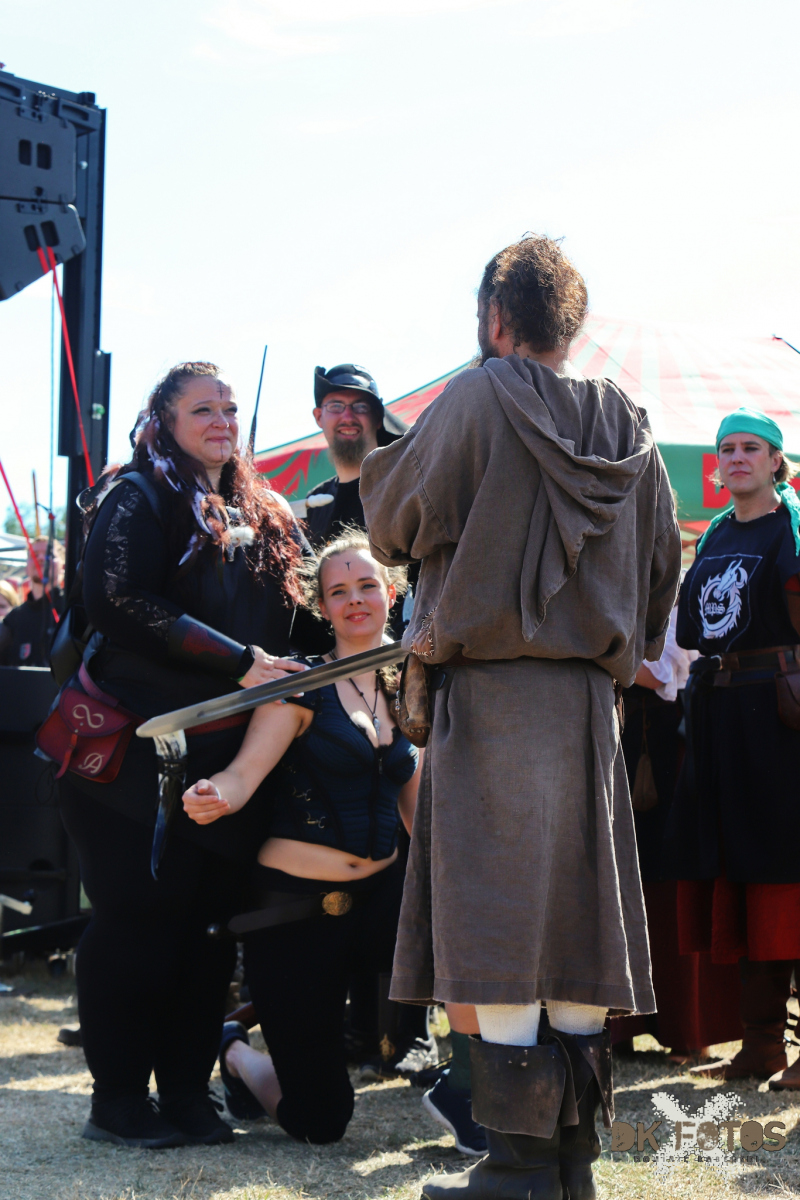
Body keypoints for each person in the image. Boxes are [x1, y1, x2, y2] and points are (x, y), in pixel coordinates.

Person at [360, 234, 682, 1200]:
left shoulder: (476, 395)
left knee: (496, 924)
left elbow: (390, 522)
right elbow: (662, 571)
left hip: (492, 694)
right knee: (579, 926)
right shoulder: (629, 420)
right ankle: (570, 1168)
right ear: (570, 324)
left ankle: (516, 1170)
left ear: (497, 319)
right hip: (588, 705)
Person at [57, 361, 316, 1150]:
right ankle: (116, 1101)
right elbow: (116, 600)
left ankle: (185, 1095)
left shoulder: (264, 510)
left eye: (229, 409)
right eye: (203, 409)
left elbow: (299, 617)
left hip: (228, 763)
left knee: (208, 935)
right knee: (136, 926)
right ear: (164, 421)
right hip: (128, 759)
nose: (222, 421)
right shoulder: (135, 495)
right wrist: (239, 661)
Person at [182, 532, 422, 1144]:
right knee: (320, 1121)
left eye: (367, 585)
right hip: (294, 911)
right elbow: (243, 776)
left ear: (391, 593)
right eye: (338, 592)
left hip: (381, 897)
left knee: (460, 948)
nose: (355, 599)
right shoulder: (299, 684)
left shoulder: (407, 684)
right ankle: (235, 1051)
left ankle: (472, 1084)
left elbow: (415, 805)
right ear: (323, 607)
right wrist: (214, 796)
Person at [666, 407, 800, 1091]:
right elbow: (694, 630)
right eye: (727, 449)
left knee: (788, 876)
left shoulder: (794, 530)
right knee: (740, 875)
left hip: (783, 723)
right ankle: (761, 1044)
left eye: (752, 447)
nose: (737, 457)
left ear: (777, 461)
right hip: (721, 720)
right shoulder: (716, 534)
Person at [612, 602, 743, 1062]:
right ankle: (618, 1029)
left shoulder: (670, 595)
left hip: (669, 745)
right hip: (619, 740)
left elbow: (660, 674)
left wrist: (596, 652)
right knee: (618, 881)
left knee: (672, 885)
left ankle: (686, 1029)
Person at [304, 364, 407, 549]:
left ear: (378, 418)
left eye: (361, 407)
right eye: (336, 406)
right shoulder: (315, 503)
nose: (348, 417)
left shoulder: (405, 486)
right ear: (318, 416)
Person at [0, 537, 64, 666]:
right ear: (26, 567)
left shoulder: (72, 609)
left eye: (49, 554)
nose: (41, 558)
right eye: (34, 555)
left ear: (62, 566)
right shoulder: (13, 619)